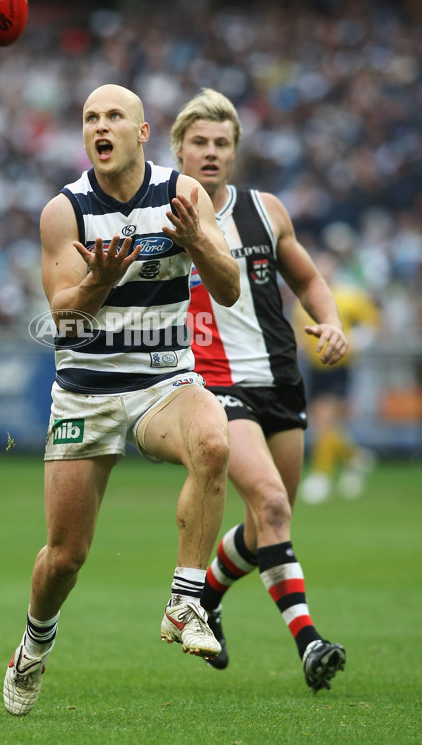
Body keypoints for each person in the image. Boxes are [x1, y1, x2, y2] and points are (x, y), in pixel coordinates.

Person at [3, 83, 241, 716]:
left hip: (164, 382)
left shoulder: (183, 195)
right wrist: (98, 282)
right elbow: (63, 319)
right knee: (65, 557)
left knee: (215, 440)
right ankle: (34, 644)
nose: (100, 126)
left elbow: (230, 290)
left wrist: (199, 243)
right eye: (89, 118)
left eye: (114, 116)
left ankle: (186, 599)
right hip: (87, 393)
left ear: (141, 133)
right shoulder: (65, 211)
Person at [170, 87, 347, 693]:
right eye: (200, 143)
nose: (211, 152)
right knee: (271, 505)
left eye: (222, 143)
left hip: (281, 380)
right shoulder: (162, 216)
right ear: (179, 149)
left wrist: (331, 321)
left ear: (236, 149)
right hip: (213, 384)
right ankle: (309, 642)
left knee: (266, 524)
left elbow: (308, 278)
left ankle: (209, 598)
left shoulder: (266, 210)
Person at [295, 246, 380, 504]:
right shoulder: (304, 301)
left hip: (341, 366)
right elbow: (299, 332)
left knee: (323, 420)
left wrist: (355, 341)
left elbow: (373, 322)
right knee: (329, 423)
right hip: (316, 367)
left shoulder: (348, 296)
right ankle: (355, 457)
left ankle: (321, 475)